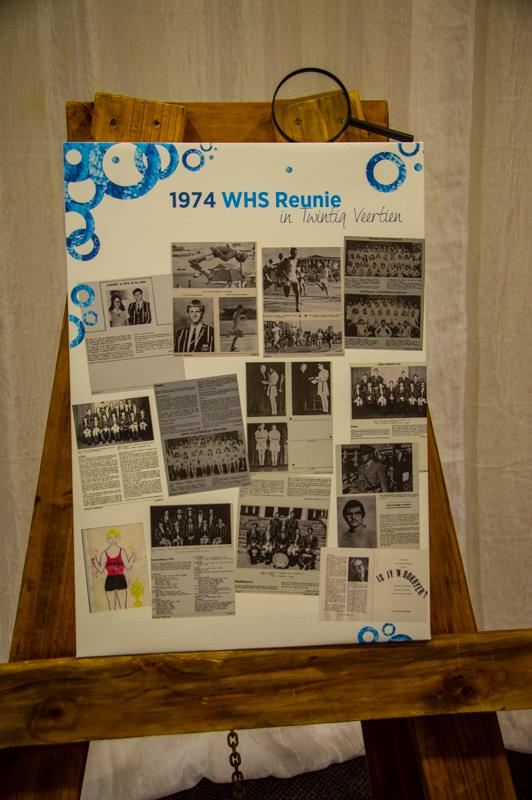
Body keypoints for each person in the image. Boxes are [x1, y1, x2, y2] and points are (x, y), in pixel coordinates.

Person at [91, 528, 136, 610]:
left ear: (118, 538)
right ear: (107, 539)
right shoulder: (104, 553)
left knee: (123, 607)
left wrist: (133, 555)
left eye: (115, 537)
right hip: (111, 580)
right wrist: (94, 559)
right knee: (112, 608)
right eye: (110, 538)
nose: (112, 539)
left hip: (120, 579)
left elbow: (128, 566)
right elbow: (100, 569)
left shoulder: (122, 551)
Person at [280, 247, 302, 312]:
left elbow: (296, 268)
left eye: (296, 253)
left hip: (294, 277)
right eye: (294, 253)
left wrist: (299, 273)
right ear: (291, 253)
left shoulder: (297, 260)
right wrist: (286, 276)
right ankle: (285, 287)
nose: (295, 255)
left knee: (297, 292)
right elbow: (281, 269)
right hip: (287, 277)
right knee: (287, 295)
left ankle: (297, 308)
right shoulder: (286, 260)